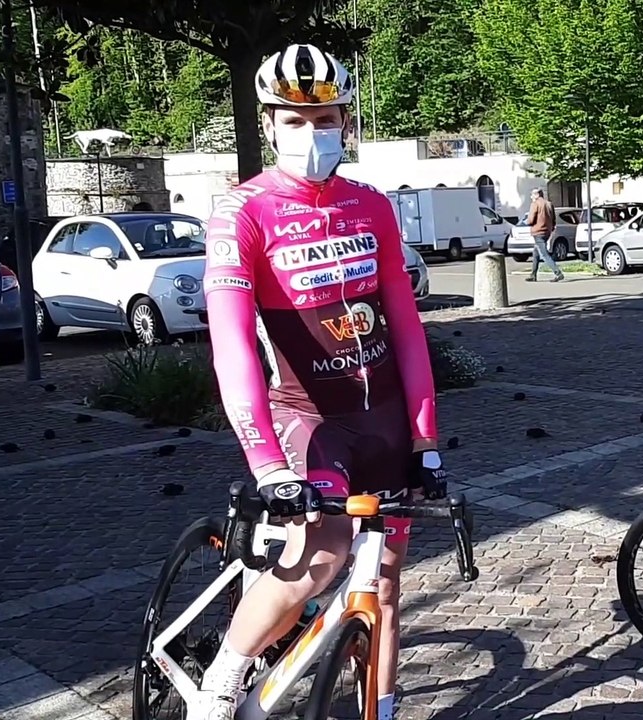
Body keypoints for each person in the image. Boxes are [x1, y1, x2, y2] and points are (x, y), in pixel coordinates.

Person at [194, 43, 448, 720]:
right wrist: (267, 464)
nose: (312, 134)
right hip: (309, 420)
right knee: (324, 553)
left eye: (326, 118)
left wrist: (426, 439)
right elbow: (231, 344)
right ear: (270, 124)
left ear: (346, 122)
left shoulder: (371, 207)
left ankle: (382, 709)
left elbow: (408, 329)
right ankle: (223, 678)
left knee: (387, 586)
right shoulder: (241, 213)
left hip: (385, 418)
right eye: (294, 121)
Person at [525, 187, 564, 282]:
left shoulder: (535, 204)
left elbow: (530, 220)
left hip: (538, 232)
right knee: (536, 253)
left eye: (532, 195)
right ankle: (533, 275)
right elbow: (554, 219)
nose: (531, 197)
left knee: (544, 254)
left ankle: (558, 273)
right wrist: (551, 228)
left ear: (536, 195)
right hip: (547, 232)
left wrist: (527, 222)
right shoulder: (549, 204)